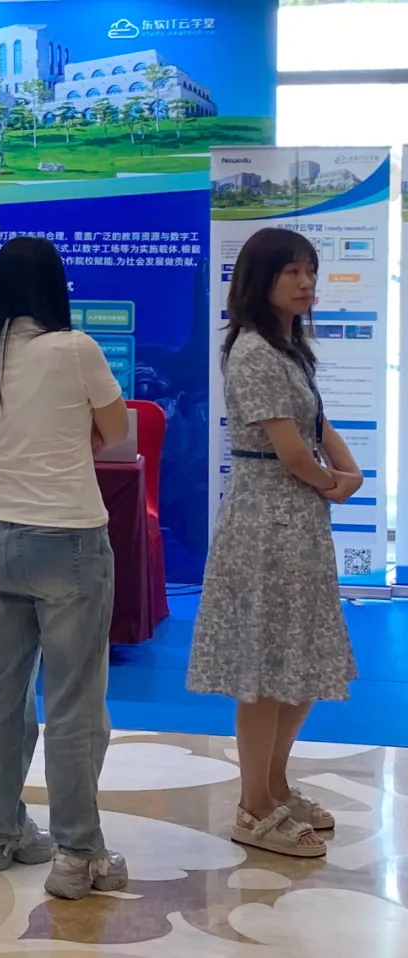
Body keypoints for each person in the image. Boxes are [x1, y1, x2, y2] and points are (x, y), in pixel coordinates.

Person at [0, 237, 130, 899]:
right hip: (69, 539)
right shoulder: (75, 348)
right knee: (74, 702)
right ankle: (79, 853)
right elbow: (115, 432)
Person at [187, 227, 359, 858]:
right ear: (261, 281)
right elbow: (290, 451)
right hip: (266, 521)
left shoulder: (289, 348)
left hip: (299, 520)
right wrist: (333, 481)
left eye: (310, 270)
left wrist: (346, 471)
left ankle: (276, 786)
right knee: (263, 667)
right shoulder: (254, 349)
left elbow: (315, 423)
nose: (307, 283)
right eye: (293, 272)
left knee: (302, 659)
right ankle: (253, 805)